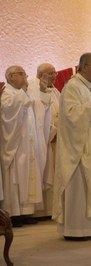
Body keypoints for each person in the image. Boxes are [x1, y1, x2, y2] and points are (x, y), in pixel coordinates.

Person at [52, 53, 91, 240]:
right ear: (83, 66)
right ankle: (77, 230)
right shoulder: (72, 87)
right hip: (79, 149)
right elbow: (71, 116)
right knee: (80, 187)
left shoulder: (88, 88)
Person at [1, 66, 44, 227]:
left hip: (26, 144)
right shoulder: (7, 93)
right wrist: (24, 93)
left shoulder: (21, 93)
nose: (25, 77)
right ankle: (13, 214)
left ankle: (25, 212)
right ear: (11, 77)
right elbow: (8, 115)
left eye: (25, 74)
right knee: (15, 178)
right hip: (15, 145)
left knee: (26, 175)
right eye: (21, 74)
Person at [27, 63, 60, 220]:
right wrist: (51, 131)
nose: (55, 76)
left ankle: (50, 211)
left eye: (55, 73)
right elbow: (37, 114)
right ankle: (40, 211)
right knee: (44, 170)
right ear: (41, 75)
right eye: (51, 73)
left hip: (55, 138)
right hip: (44, 137)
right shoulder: (33, 87)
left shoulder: (54, 90)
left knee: (52, 174)